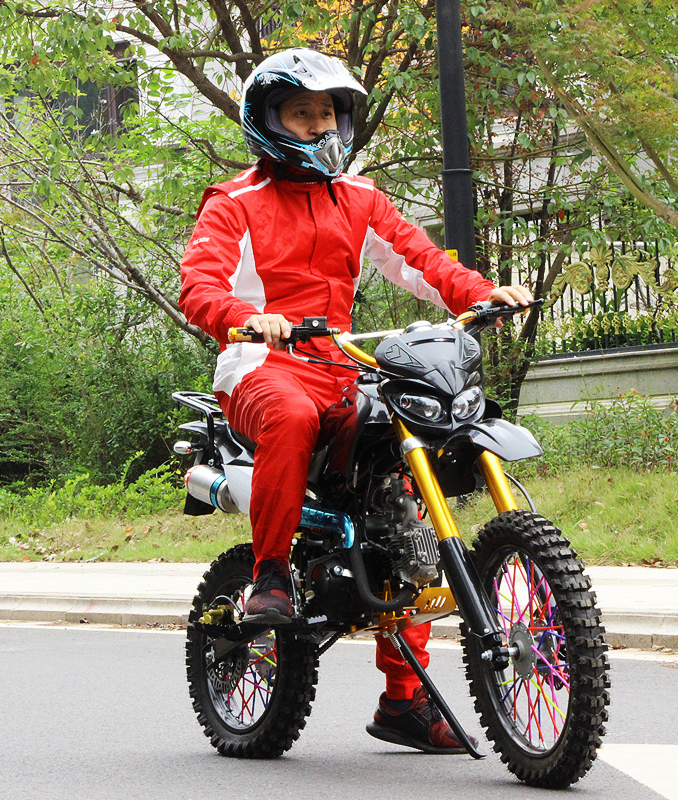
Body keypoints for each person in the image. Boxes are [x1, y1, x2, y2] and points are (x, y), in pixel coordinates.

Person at [179, 47, 533, 755]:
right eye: (300, 114)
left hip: (343, 365)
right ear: (268, 121)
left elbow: (422, 262)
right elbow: (198, 285)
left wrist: (481, 293)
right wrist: (246, 317)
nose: (317, 126)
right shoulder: (235, 202)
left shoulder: (360, 198)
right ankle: (272, 577)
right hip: (264, 365)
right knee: (293, 413)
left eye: (326, 113)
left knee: (403, 493)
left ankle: (404, 702)